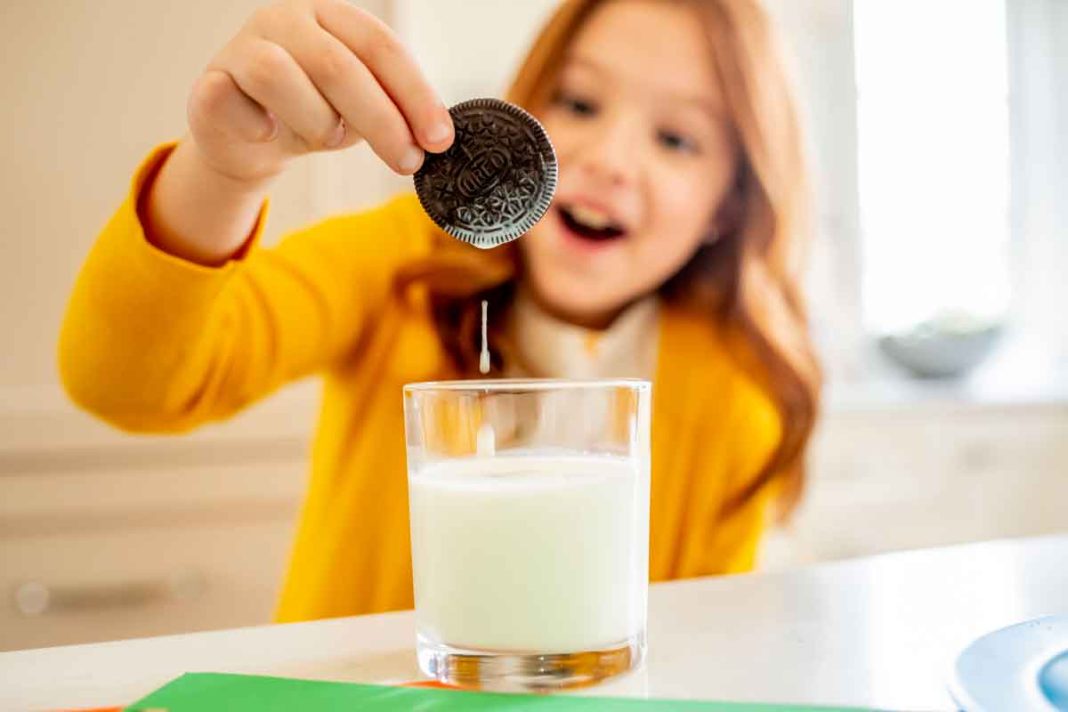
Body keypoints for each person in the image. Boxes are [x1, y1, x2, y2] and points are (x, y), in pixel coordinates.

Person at [59, 0, 821, 623]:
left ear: (728, 205)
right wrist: (224, 170)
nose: (611, 159)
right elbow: (126, 383)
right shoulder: (402, 267)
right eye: (580, 101)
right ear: (524, 119)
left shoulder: (735, 402)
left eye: (677, 139)